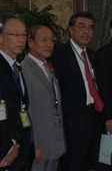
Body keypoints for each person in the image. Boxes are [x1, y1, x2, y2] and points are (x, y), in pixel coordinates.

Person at [51, 12, 107, 171]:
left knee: (92, 164)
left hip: (93, 117)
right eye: (81, 26)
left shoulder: (93, 55)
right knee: (74, 164)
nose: (86, 31)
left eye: (90, 28)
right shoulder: (59, 54)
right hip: (72, 121)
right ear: (70, 29)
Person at [21, 24, 66, 171]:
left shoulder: (47, 68)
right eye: (44, 39)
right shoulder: (24, 70)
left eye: (52, 40)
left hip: (53, 142)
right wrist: (34, 143)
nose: (49, 44)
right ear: (31, 42)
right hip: (39, 146)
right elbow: (26, 112)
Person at [0, 14, 33, 170]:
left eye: (23, 34)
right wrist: (7, 146)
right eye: (15, 34)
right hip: (7, 151)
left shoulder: (16, 67)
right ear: (1, 37)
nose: (21, 39)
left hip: (23, 148)